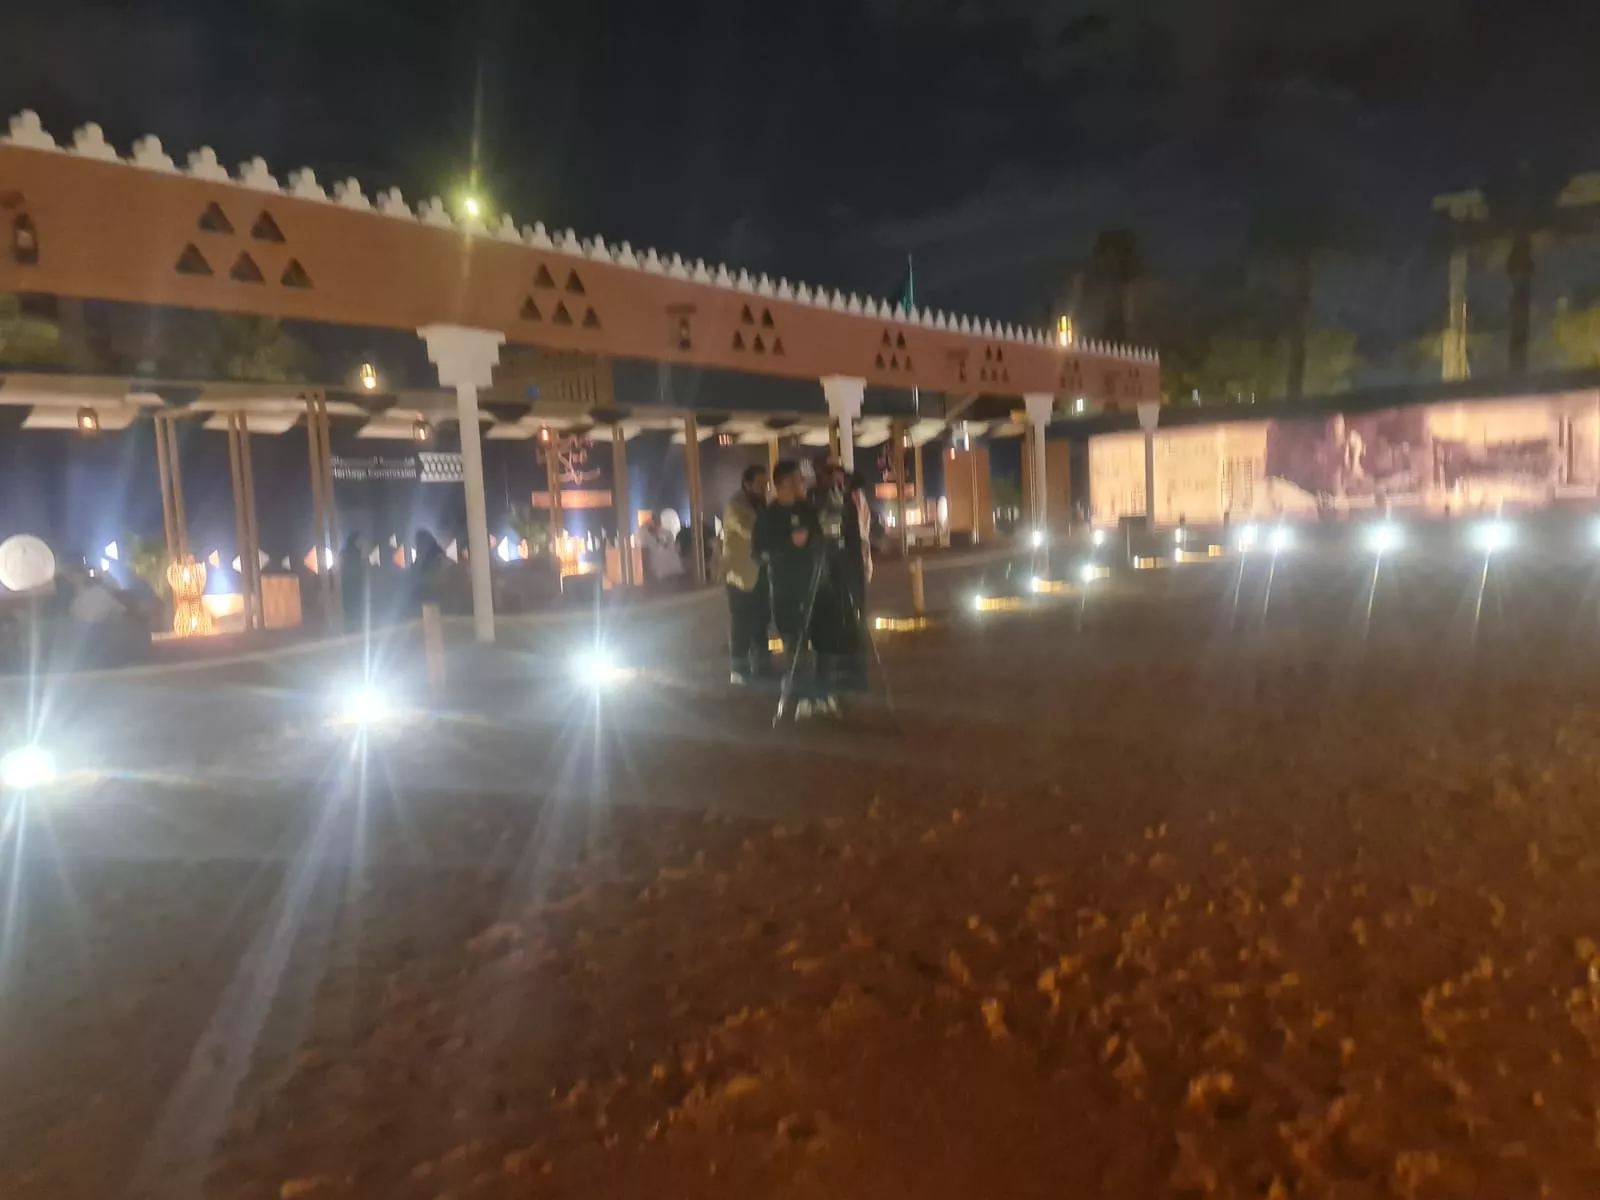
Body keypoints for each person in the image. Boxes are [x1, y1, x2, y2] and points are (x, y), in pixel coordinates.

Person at [753, 459, 838, 719]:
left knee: (825, 643)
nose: (804, 483)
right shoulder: (768, 516)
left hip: (817, 586)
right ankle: (801, 697)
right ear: (786, 483)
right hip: (786, 591)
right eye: (799, 479)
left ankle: (823, 693)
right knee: (795, 646)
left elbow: (821, 540)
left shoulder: (808, 510)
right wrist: (789, 544)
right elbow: (759, 554)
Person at [812, 457, 873, 696]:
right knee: (829, 625)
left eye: (841, 478)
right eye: (833, 477)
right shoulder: (815, 500)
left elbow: (854, 539)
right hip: (825, 571)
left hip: (848, 569)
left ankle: (855, 673)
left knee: (855, 623)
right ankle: (831, 675)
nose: (838, 482)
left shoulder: (847, 501)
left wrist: (858, 569)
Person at [722, 464, 773, 685]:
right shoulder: (736, 505)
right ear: (747, 484)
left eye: (766, 484)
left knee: (761, 619)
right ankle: (739, 669)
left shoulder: (761, 504)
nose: (764, 488)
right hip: (740, 575)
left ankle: (762, 666)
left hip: (760, 571)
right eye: (760, 484)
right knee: (741, 623)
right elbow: (750, 529)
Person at [339, 532, 368, 631]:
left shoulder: (344, 553)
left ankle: (350, 626)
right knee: (356, 604)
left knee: (349, 605)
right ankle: (356, 626)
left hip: (348, 582)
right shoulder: (356, 552)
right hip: (354, 581)